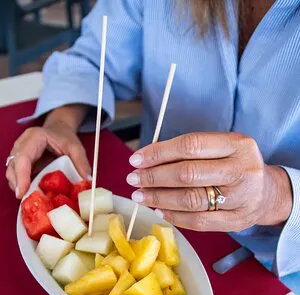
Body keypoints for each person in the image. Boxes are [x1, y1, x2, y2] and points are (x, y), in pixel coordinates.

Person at [5, 0, 300, 280]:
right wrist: (60, 121)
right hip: (149, 220)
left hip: (283, 273)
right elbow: (97, 55)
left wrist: (275, 196)